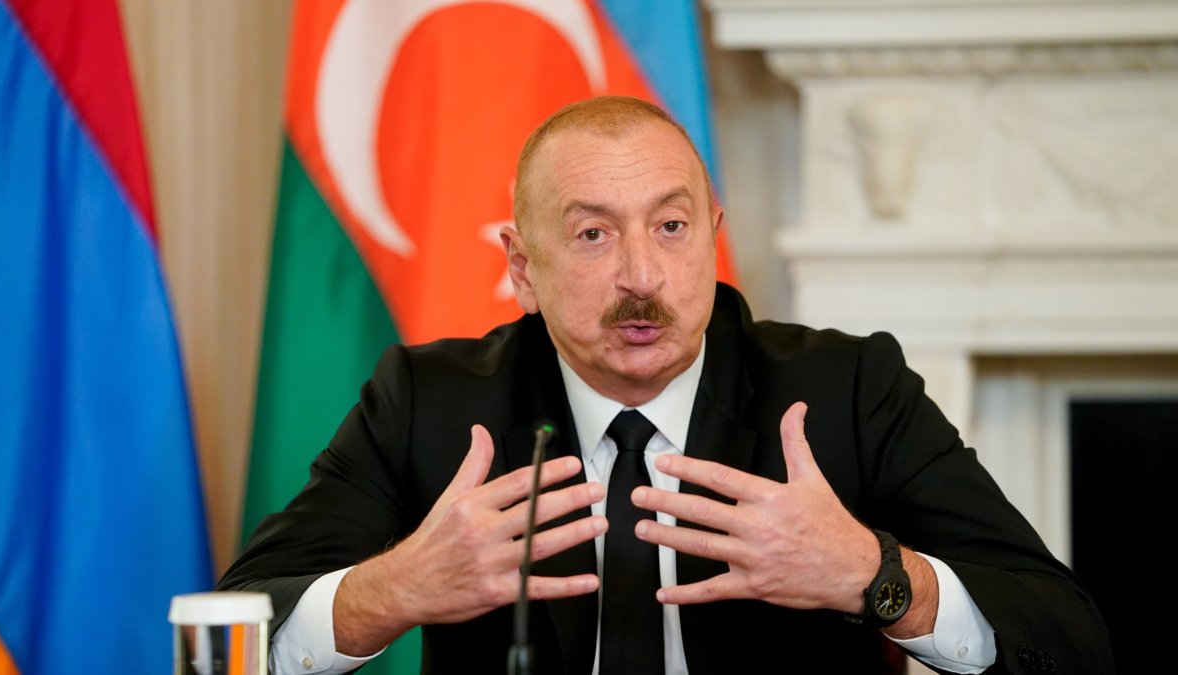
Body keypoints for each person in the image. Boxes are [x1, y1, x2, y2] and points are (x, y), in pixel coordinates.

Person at [219, 95, 1114, 674]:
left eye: (673, 225)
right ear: (522, 267)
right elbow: (227, 638)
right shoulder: (432, 401)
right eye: (593, 235)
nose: (643, 273)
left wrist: (875, 577)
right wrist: (395, 590)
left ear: (714, 236)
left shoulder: (844, 388)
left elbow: (1068, 638)